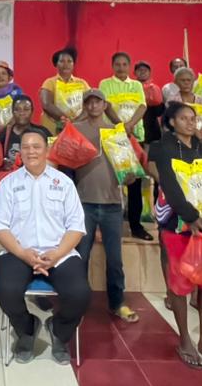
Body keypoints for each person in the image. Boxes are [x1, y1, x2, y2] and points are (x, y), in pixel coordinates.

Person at [0, 131, 91, 364]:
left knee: (80, 294)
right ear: (20, 152)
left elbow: (76, 227)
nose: (31, 151)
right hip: (18, 252)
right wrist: (23, 254)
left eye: (36, 146)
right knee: (6, 289)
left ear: (47, 150)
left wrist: (57, 253)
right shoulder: (8, 183)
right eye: (25, 147)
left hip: (59, 252)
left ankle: (59, 330)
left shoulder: (64, 183)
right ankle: (27, 329)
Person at [147, 101, 202, 367]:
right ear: (172, 122)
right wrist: (190, 216)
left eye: (193, 118)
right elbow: (169, 184)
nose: (189, 122)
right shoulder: (163, 148)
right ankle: (184, 338)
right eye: (183, 118)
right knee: (179, 283)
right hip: (178, 223)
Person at [71, 89, 139, 323]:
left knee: (115, 259)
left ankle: (117, 303)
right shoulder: (76, 129)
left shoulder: (116, 132)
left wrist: (130, 176)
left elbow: (129, 169)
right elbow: (64, 160)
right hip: (83, 203)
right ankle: (77, 302)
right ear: (84, 106)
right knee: (81, 256)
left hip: (112, 203)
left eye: (97, 102)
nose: (93, 106)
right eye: (88, 102)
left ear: (104, 105)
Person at [100, 52, 151, 241]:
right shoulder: (105, 84)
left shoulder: (136, 85)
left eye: (124, 64)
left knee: (135, 183)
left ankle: (136, 226)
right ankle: (108, 227)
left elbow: (142, 106)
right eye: (117, 64)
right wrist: (121, 126)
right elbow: (106, 106)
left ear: (129, 67)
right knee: (111, 183)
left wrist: (130, 125)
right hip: (114, 138)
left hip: (135, 138)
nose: (121, 68)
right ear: (112, 66)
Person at [39, 47, 90, 134]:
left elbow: (90, 104)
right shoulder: (49, 82)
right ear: (56, 64)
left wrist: (75, 122)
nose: (66, 64)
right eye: (62, 61)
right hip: (53, 129)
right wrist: (66, 120)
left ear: (73, 64)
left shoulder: (82, 83)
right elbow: (46, 104)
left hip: (77, 129)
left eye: (69, 61)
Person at [0, 96, 51, 175]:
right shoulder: (5, 134)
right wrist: (2, 163)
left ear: (32, 111)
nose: (22, 113)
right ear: (12, 112)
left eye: (26, 109)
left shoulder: (42, 132)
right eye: (17, 110)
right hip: (11, 178)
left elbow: (52, 157)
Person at [135, 61, 165, 144]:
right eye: (140, 70)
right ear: (135, 73)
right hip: (135, 125)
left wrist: (153, 101)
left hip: (151, 128)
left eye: (145, 70)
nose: (142, 72)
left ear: (149, 73)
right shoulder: (131, 87)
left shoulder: (155, 88)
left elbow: (159, 112)